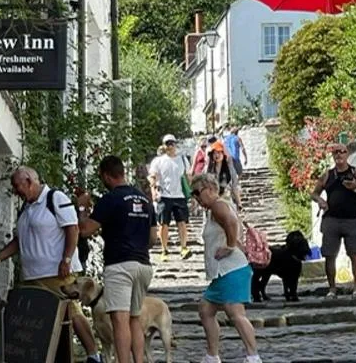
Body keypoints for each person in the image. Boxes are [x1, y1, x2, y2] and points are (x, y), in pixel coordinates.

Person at [0, 166, 102, 363]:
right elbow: (20, 241)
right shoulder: (26, 207)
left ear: (29, 181)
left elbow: (72, 229)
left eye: (17, 185)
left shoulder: (56, 199)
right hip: (31, 274)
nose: (15, 191)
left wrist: (67, 259)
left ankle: (93, 354)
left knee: (71, 309)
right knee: (34, 318)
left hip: (56, 271)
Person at [77, 155, 157, 363]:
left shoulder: (110, 199)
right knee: (134, 318)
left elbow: (85, 230)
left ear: (105, 175)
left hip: (120, 265)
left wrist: (83, 208)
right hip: (143, 265)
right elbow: (153, 238)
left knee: (119, 320)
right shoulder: (144, 199)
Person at [190, 173, 262, 363]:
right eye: (193, 194)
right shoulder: (214, 208)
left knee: (236, 314)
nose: (196, 197)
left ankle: (253, 356)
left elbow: (231, 222)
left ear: (210, 188)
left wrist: (229, 247)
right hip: (223, 272)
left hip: (232, 269)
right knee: (206, 309)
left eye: (198, 192)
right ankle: (212, 355)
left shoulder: (218, 205)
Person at [310, 144, 356, 297]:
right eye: (335, 153)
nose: (338, 155)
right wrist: (320, 201)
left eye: (342, 152)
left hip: (352, 220)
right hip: (331, 220)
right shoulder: (327, 175)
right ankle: (332, 288)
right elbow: (314, 193)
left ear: (347, 154)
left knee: (355, 253)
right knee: (330, 255)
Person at [148, 133, 192, 262]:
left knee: (182, 222)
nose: (170, 145)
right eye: (167, 143)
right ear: (163, 145)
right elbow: (153, 176)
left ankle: (184, 247)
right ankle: (164, 249)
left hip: (179, 195)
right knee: (163, 224)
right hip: (164, 195)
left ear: (175, 144)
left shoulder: (182, 160)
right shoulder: (158, 161)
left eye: (172, 143)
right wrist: (153, 190)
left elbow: (188, 177)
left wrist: (192, 193)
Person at [206, 141, 242, 211]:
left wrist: (239, 202)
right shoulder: (208, 171)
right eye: (214, 153)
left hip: (227, 200)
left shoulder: (230, 169)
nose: (217, 155)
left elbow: (234, 187)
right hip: (213, 203)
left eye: (219, 152)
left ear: (223, 154)